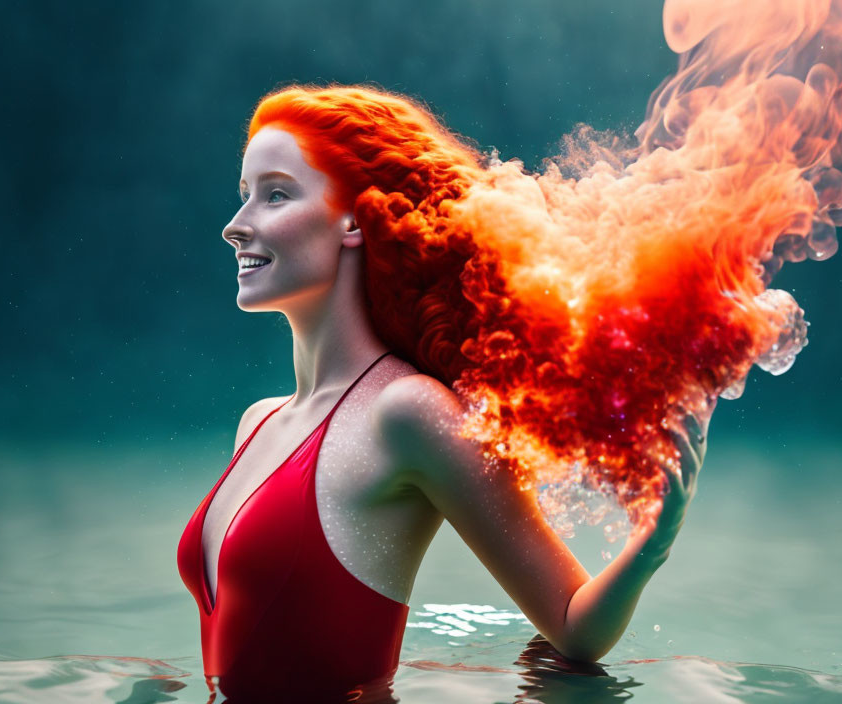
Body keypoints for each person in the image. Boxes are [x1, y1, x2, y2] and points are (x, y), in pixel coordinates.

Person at [176, 84, 708, 702]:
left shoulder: (407, 415)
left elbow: (572, 628)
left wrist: (657, 537)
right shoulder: (258, 423)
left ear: (355, 216)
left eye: (274, 195)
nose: (234, 227)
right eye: (245, 197)